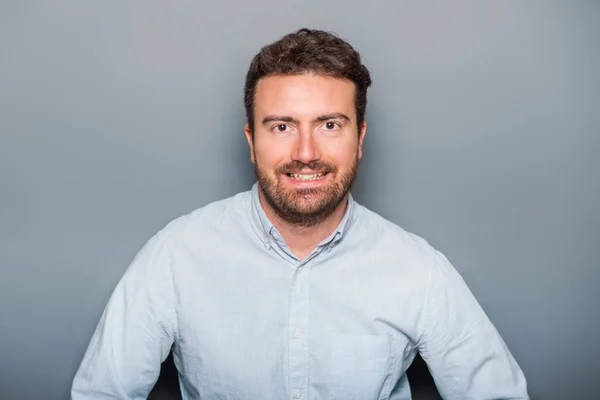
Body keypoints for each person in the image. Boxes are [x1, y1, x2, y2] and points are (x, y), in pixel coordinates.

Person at [71, 28, 529, 400]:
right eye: (282, 126)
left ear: (360, 138)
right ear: (252, 142)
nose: (305, 153)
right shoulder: (175, 256)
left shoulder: (418, 269)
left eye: (329, 125)